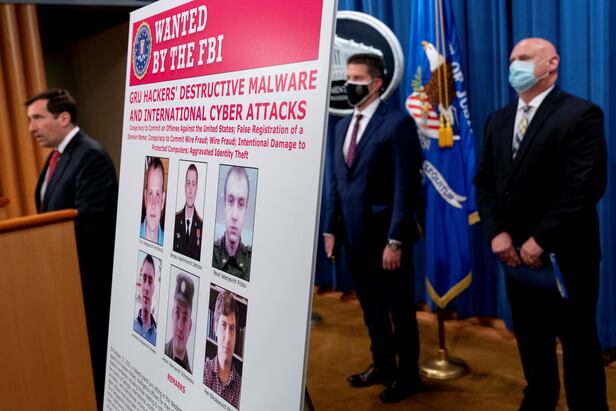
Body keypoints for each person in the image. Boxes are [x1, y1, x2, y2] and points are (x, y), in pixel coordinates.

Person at [473, 38, 608, 411]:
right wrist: (496, 232)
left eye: (524, 58)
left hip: (566, 255)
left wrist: (541, 239)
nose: (514, 65)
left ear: (552, 63)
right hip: (514, 255)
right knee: (531, 339)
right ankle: (538, 400)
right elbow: (484, 182)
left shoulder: (581, 114)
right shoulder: (498, 120)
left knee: (579, 343)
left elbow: (585, 187)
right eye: (512, 59)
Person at [323, 54, 423, 403]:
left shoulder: (397, 124)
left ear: (376, 83)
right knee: (371, 307)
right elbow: (336, 183)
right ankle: (383, 364)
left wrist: (395, 240)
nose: (349, 84)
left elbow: (405, 187)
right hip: (353, 237)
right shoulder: (341, 126)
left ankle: (408, 376)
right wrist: (330, 229)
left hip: (386, 239)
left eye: (357, 78)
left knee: (400, 310)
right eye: (347, 77)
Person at [27, 88, 117, 409]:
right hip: (67, 282)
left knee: (96, 367)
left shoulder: (90, 156)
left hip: (91, 284)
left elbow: (91, 224)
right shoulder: (58, 157)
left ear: (63, 117)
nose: (31, 127)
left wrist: (43, 249)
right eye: (30, 120)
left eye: (38, 118)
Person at [212, 166, 252, 281]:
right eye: (230, 201)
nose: (234, 216)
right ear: (224, 205)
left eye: (241, 204)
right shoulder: (210, 253)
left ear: (246, 210)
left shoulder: (252, 262)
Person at [203, 291, 242, 409]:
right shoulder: (204, 372)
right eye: (223, 325)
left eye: (232, 328)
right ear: (215, 328)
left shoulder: (241, 387)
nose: (228, 337)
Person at [165, 273, 195, 373]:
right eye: (177, 313)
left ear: (190, 327)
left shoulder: (189, 374)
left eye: (185, 318)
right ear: (172, 315)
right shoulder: (160, 350)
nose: (179, 326)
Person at [173, 164, 203, 260]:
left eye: (193, 184)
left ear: (197, 189)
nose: (190, 190)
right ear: (184, 187)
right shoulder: (175, 220)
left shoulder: (201, 226)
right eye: (188, 183)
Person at [141, 156, 166, 246]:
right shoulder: (131, 233)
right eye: (150, 193)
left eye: (158, 194)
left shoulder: (168, 243)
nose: (153, 204)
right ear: (145, 197)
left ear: (163, 201)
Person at [133, 254, 157, 345]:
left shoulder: (157, 338)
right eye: (144, 279)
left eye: (150, 281)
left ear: (153, 289)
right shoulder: (132, 325)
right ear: (140, 283)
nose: (146, 287)